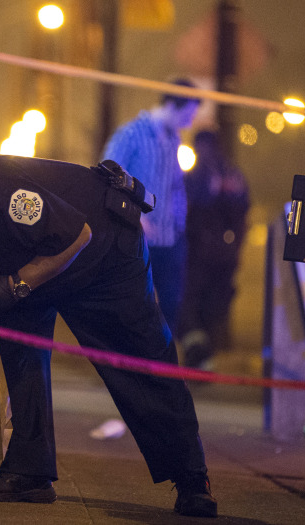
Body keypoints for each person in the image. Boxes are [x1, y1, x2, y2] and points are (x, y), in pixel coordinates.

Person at [0, 154, 217, 517]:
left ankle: (191, 478)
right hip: (24, 270)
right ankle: (29, 471)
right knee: (21, 355)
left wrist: (16, 286)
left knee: (139, 361)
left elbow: (76, 235)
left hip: (101, 250)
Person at [102, 79, 201, 334]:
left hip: (170, 240)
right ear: (171, 105)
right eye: (187, 115)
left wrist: (180, 224)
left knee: (169, 306)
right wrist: (137, 217)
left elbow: (175, 186)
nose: (189, 123)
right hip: (138, 237)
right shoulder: (131, 134)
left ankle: (159, 364)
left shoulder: (173, 139)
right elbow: (106, 175)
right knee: (134, 305)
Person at [179, 131, 249, 368]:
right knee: (203, 307)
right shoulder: (231, 175)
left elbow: (189, 207)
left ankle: (199, 356)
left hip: (203, 255)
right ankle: (200, 356)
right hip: (215, 255)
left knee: (195, 306)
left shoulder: (212, 175)